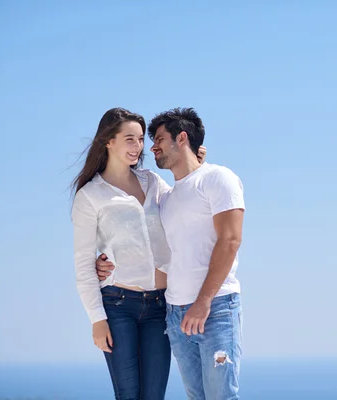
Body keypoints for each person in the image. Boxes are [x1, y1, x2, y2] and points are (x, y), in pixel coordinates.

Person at [97, 107, 245, 400]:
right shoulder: (166, 196)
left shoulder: (219, 178)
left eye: (159, 139)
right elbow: (141, 236)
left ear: (181, 138)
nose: (151, 147)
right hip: (175, 314)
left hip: (214, 308)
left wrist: (203, 302)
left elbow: (230, 241)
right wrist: (104, 259)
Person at [71, 107, 206, 400]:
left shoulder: (152, 183)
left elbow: (185, 204)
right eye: (129, 139)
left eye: (140, 139)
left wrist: (195, 163)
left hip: (161, 306)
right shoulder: (90, 196)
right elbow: (82, 263)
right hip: (119, 306)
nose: (138, 146)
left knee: (154, 395)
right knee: (129, 394)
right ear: (108, 141)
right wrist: (97, 319)